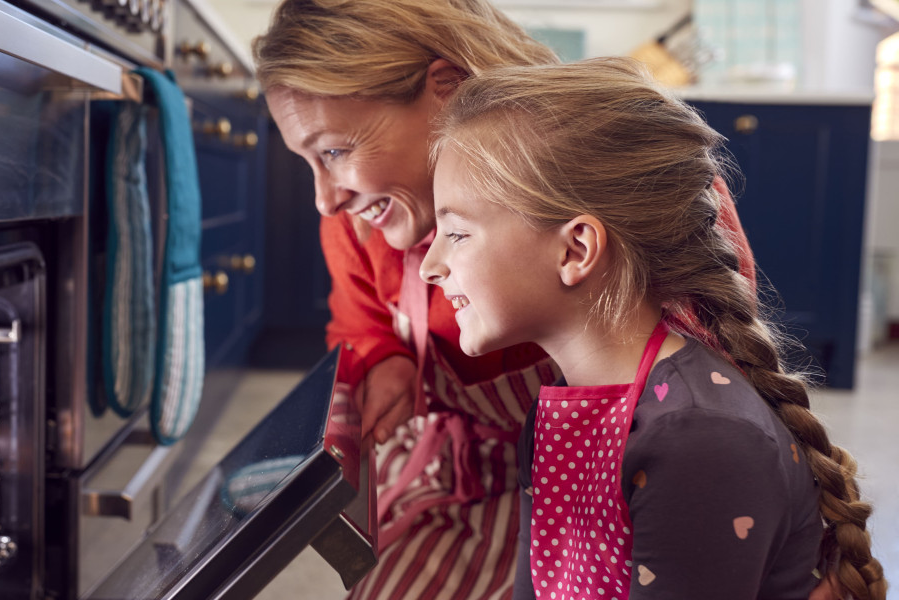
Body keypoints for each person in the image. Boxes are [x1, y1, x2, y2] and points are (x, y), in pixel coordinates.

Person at [253, 1, 760, 599]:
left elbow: (724, 397)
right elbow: (360, 325)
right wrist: (386, 359)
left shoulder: (613, 180)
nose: (324, 199)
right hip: (463, 475)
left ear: (445, 89)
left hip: (618, 483)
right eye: (307, 161)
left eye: (335, 151)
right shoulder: (365, 221)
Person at [419, 57, 887, 600]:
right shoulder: (563, 409)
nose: (431, 265)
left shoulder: (696, 438)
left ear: (576, 249)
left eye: (455, 233)